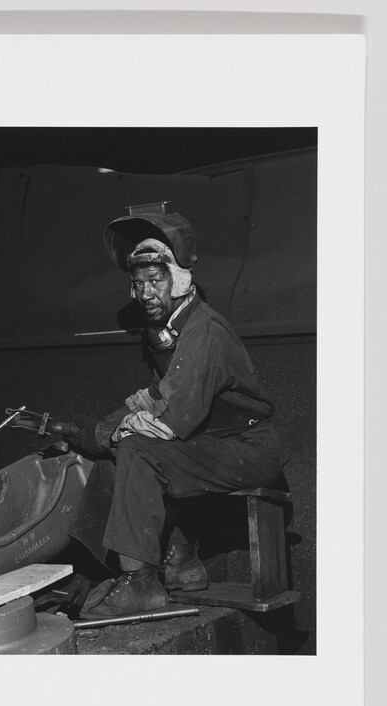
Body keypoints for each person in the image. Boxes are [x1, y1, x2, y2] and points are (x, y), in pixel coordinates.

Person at [64, 204, 284, 620]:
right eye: (137, 281)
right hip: (216, 442)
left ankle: (142, 585)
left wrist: (127, 431)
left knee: (140, 450)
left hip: (249, 447)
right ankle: (181, 562)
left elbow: (173, 416)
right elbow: (152, 395)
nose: (144, 292)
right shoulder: (170, 332)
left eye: (155, 279)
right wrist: (93, 433)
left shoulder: (204, 330)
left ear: (181, 280)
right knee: (121, 449)